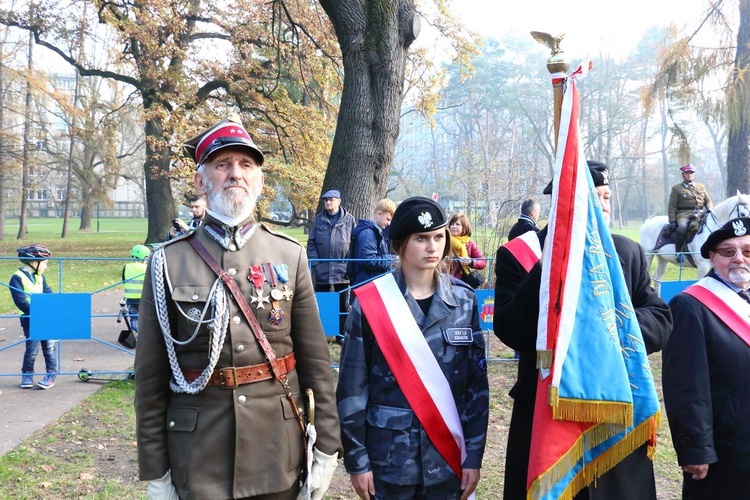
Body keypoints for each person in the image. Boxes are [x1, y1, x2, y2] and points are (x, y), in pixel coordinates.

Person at [134, 116, 341, 499]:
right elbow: (149, 377)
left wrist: (327, 445)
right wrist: (155, 470)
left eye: (246, 165)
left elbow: (315, 362)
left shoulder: (289, 254)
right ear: (201, 181)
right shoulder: (167, 261)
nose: (235, 174)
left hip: (277, 448)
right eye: (222, 164)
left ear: (260, 180)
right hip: (198, 453)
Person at [493, 161, 672, 500]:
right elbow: (510, 329)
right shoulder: (521, 255)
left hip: (615, 413)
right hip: (547, 412)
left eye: (606, 197)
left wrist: (610, 329)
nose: (602, 206)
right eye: (593, 198)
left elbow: (660, 318)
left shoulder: (627, 251)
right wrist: (546, 267)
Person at [337, 196, 489, 500]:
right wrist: (357, 461)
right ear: (400, 244)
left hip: (447, 458)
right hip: (389, 460)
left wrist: (473, 455)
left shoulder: (464, 300)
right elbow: (352, 389)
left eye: (438, 237)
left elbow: (477, 388)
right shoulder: (370, 303)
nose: (432, 247)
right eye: (421, 238)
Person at [662, 217, 750, 499]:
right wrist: (695, 448)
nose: (739, 259)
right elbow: (686, 386)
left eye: (747, 251)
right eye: (728, 252)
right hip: (726, 447)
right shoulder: (690, 305)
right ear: (712, 257)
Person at [307, 188, 356, 334]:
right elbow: (311, 244)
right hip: (323, 268)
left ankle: (341, 334)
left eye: (331, 200)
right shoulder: (318, 220)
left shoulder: (349, 220)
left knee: (343, 303)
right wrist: (316, 263)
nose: (328, 202)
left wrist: (349, 264)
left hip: (343, 269)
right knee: (324, 301)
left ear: (339, 201)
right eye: (326, 200)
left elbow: (354, 243)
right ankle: (326, 333)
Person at [10, 244, 56, 390]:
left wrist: (52, 309)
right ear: (34, 263)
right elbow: (21, 301)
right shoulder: (17, 278)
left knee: (49, 346)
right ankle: (27, 374)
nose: (46, 267)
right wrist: (39, 313)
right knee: (32, 348)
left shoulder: (40, 277)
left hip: (46, 317)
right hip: (29, 318)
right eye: (45, 263)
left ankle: (51, 374)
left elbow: (49, 294)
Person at [348, 198, 396, 292]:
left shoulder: (373, 232)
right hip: (366, 283)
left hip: (369, 281)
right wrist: (392, 259)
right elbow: (369, 260)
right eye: (388, 219)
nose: (389, 223)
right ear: (379, 214)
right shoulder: (368, 234)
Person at [668, 164, 713, 257]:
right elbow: (672, 206)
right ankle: (678, 252)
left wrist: (709, 208)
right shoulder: (677, 188)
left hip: (701, 212)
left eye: (691, 173)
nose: (689, 175)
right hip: (684, 214)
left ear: (694, 174)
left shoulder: (701, 186)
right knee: (683, 227)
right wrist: (672, 221)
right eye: (687, 173)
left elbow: (708, 200)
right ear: (683, 175)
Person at [448, 213, 487, 288]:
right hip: (445, 281)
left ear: (465, 227)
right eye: (452, 224)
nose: (454, 227)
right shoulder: (443, 241)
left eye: (457, 224)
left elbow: (483, 262)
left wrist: (470, 262)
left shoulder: (469, 243)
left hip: (462, 283)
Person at [121, 244, 150, 334]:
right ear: (145, 257)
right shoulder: (146, 268)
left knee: (134, 317)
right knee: (146, 317)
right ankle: (145, 336)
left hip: (130, 298)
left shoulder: (126, 267)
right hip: (144, 298)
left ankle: (135, 334)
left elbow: (124, 280)